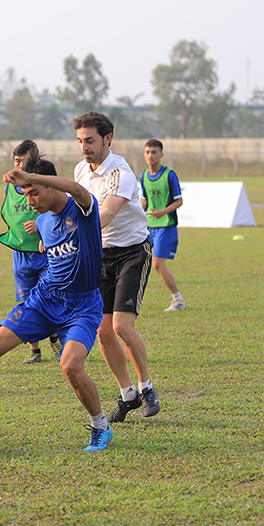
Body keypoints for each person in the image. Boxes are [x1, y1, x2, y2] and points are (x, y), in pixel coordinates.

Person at [0, 148, 113, 452]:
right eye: (25, 195)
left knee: (71, 368)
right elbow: (51, 248)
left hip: (82, 307)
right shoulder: (42, 222)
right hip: (44, 300)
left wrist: (29, 175)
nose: (30, 201)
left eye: (34, 193)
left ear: (51, 186)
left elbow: (77, 189)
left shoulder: (81, 210)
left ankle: (100, 427)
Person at [73, 111, 160, 423]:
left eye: (91, 140)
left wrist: (69, 235)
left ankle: (147, 387)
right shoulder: (81, 170)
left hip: (132, 253)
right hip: (101, 255)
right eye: (81, 140)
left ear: (108, 139)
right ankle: (128, 395)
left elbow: (106, 214)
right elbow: (73, 208)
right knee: (103, 332)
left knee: (122, 326)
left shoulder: (120, 173)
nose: (84, 146)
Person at [0, 140, 63, 364]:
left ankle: (56, 341)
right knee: (25, 301)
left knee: (48, 298)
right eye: (16, 162)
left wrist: (41, 227)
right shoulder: (10, 189)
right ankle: (34, 351)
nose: (18, 166)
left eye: (23, 162)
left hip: (45, 252)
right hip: (21, 254)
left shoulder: (47, 185)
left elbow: (58, 210)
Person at [139, 139, 187, 312]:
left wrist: (162, 212)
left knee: (158, 265)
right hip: (148, 227)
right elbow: (144, 200)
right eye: (147, 152)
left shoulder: (169, 175)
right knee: (136, 260)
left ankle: (178, 300)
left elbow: (179, 201)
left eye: (154, 152)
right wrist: (137, 214)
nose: (150, 155)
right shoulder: (143, 176)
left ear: (161, 154)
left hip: (166, 226)